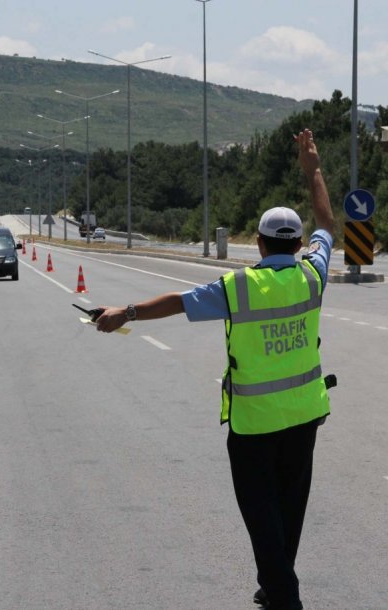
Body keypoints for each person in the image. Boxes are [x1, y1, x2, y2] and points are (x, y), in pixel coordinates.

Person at [95, 128, 334, 610]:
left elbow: (178, 302)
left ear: (259, 244)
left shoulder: (237, 287)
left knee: (261, 515)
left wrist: (127, 312)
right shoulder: (314, 273)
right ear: (298, 244)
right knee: (289, 509)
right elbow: (328, 223)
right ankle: (275, 585)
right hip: (304, 417)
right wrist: (313, 170)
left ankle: (285, 596)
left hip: (253, 424)